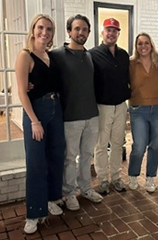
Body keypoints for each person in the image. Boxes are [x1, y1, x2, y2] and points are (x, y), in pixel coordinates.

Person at [15, 14, 65, 234]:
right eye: (41, 28)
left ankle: (52, 199)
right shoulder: (25, 56)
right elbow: (21, 92)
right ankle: (34, 212)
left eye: (49, 29)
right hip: (37, 113)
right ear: (33, 29)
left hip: (56, 110)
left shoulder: (51, 56)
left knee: (56, 156)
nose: (45, 32)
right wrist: (34, 121)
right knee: (36, 163)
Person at [50, 14, 103, 210]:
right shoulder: (57, 55)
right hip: (70, 117)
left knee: (87, 155)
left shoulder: (89, 56)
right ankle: (69, 192)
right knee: (70, 158)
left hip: (92, 114)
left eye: (85, 29)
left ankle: (86, 188)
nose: (81, 32)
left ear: (89, 33)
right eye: (77, 29)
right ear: (69, 31)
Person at [89, 18, 130, 194]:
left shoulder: (123, 55)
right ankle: (103, 179)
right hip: (102, 106)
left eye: (114, 30)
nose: (111, 33)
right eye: (108, 30)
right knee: (101, 145)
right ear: (102, 32)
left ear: (118, 33)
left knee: (117, 143)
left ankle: (116, 177)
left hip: (121, 105)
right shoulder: (92, 54)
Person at [128, 32, 158, 193]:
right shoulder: (130, 63)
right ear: (136, 46)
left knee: (155, 145)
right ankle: (133, 175)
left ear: (151, 44)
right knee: (139, 146)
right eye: (140, 43)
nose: (143, 46)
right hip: (138, 109)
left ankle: (150, 177)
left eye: (146, 43)